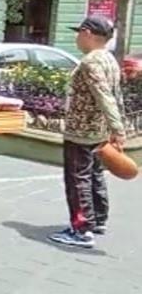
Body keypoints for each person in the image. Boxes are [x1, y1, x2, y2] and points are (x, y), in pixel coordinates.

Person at [49, 16, 125, 249]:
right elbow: (116, 95)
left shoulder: (90, 62)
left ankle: (81, 230)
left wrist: (118, 129)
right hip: (98, 130)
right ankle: (98, 220)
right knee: (94, 174)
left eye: (79, 33)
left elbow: (104, 95)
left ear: (88, 33)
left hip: (82, 131)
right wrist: (116, 125)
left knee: (77, 178)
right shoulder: (109, 59)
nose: (77, 38)